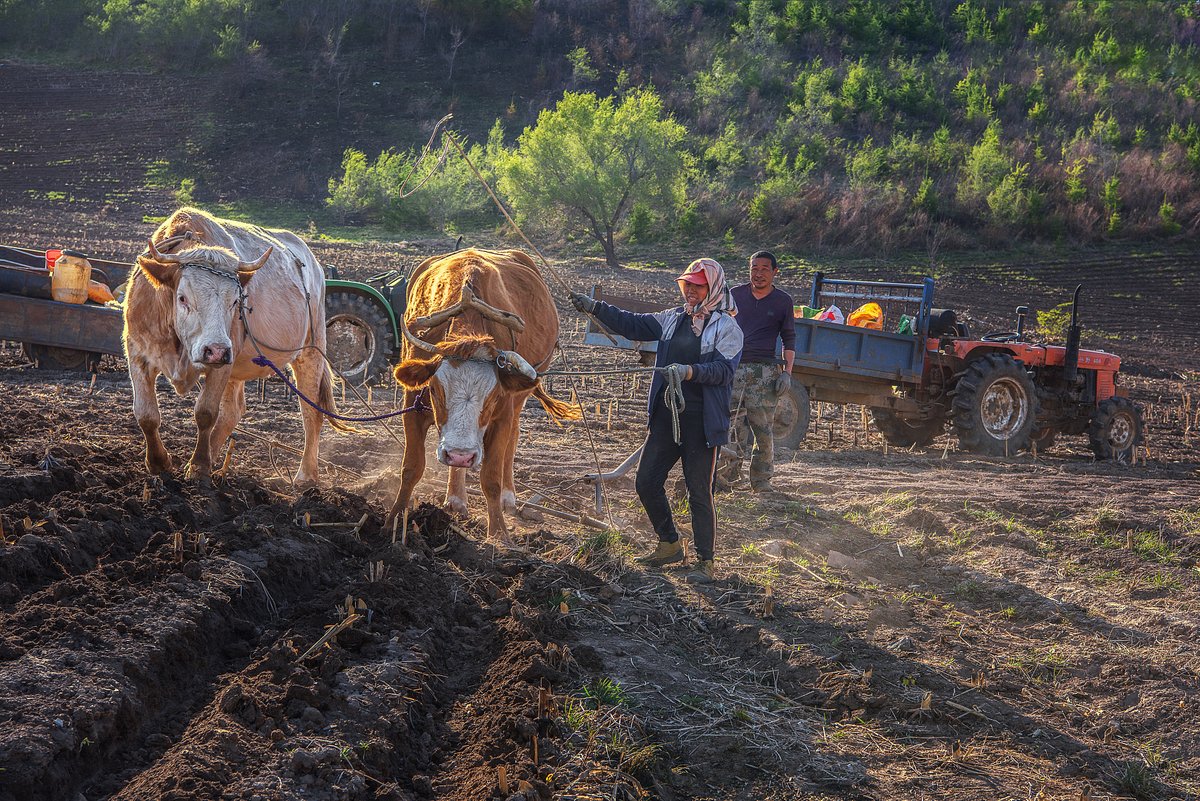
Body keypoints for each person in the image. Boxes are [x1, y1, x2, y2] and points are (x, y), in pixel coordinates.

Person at [569, 258, 743, 584]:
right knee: (645, 481)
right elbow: (632, 324)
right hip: (666, 418)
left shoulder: (727, 328)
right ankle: (669, 544)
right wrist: (595, 308)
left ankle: (705, 561)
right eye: (687, 284)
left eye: (698, 285)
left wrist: (690, 371)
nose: (690, 290)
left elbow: (723, 372)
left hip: (701, 423)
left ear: (714, 288)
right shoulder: (671, 319)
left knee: (698, 492)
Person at [728, 250, 795, 492]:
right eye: (754, 268)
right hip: (734, 369)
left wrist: (787, 372)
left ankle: (761, 481)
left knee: (762, 429)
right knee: (731, 427)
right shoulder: (734, 295)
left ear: (775, 272)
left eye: (764, 269)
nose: (758, 273)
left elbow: (789, 338)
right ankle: (727, 476)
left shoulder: (783, 301)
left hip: (765, 374)